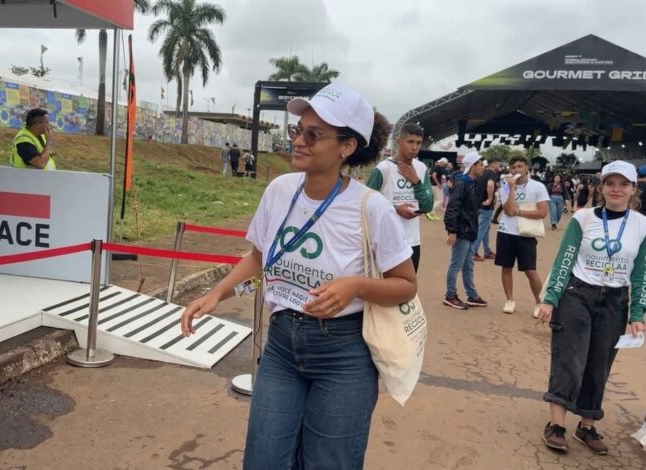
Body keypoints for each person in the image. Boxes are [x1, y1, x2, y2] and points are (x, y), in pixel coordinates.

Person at [180, 82, 416, 469]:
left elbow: (405, 286)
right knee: (263, 460)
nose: (300, 141)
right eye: (298, 131)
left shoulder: (372, 209)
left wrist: (356, 286)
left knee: (328, 462)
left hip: (344, 355)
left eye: (314, 135)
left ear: (346, 147)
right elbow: (259, 257)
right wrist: (217, 293)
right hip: (282, 348)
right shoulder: (279, 190)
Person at [537, 160, 646, 455]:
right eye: (610, 183)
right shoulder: (583, 219)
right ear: (602, 187)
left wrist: (637, 314)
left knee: (599, 365)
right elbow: (565, 260)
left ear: (634, 189)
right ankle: (556, 425)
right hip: (578, 296)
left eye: (624, 184)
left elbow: (640, 273)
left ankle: (586, 425)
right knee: (570, 360)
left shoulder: (642, 225)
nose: (616, 189)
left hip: (615, 301)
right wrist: (550, 299)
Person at [367, 123, 434, 272]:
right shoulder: (383, 169)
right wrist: (395, 209)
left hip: (412, 242)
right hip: (386, 242)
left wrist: (416, 182)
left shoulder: (421, 169)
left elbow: (428, 206)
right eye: (410, 142)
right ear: (399, 142)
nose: (415, 147)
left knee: (407, 291)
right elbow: (364, 204)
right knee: (383, 291)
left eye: (418, 143)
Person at [495, 156, 549, 317]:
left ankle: (539, 302)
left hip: (526, 233)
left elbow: (542, 212)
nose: (516, 170)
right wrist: (511, 189)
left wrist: (520, 212)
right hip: (506, 231)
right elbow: (509, 210)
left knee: (530, 270)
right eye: (513, 167)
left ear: (527, 168)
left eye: (520, 166)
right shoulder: (505, 187)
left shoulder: (538, 187)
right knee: (506, 267)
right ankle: (509, 300)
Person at [443, 152, 488, 309]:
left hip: (469, 232)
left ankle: (472, 295)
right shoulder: (462, 184)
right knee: (456, 265)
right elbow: (452, 208)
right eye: (481, 165)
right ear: (473, 166)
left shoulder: (470, 183)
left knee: (468, 265)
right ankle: (450, 295)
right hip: (462, 231)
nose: (483, 168)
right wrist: (452, 231)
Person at [473, 157, 501, 261]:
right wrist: (490, 198)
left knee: (485, 228)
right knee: (482, 228)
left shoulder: (482, 173)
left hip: (478, 204)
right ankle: (473, 251)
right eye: (498, 164)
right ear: (493, 163)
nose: (499, 166)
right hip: (486, 206)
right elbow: (490, 184)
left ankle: (487, 251)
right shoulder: (492, 174)